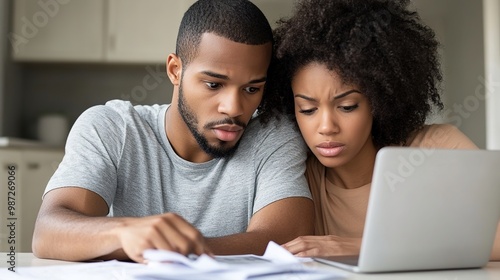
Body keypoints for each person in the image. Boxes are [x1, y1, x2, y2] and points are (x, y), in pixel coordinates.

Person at [32, 0, 314, 263]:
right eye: (214, 85)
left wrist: (167, 249)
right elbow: (48, 233)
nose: (234, 107)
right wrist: (124, 232)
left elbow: (285, 241)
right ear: (175, 70)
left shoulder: (273, 135)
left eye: (252, 89)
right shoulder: (113, 128)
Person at [268, 0, 500, 260]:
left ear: (378, 102)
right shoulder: (295, 175)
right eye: (308, 110)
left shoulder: (436, 148)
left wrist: (359, 246)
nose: (326, 127)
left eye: (347, 106)